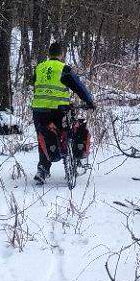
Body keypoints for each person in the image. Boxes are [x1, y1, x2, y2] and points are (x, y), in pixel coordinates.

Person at [31, 42, 95, 184]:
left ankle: (42, 169)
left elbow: (34, 84)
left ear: (49, 54)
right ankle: (71, 160)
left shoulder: (39, 68)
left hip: (38, 110)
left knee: (44, 138)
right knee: (68, 132)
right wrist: (89, 101)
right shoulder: (63, 68)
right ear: (61, 55)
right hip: (58, 110)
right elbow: (79, 87)